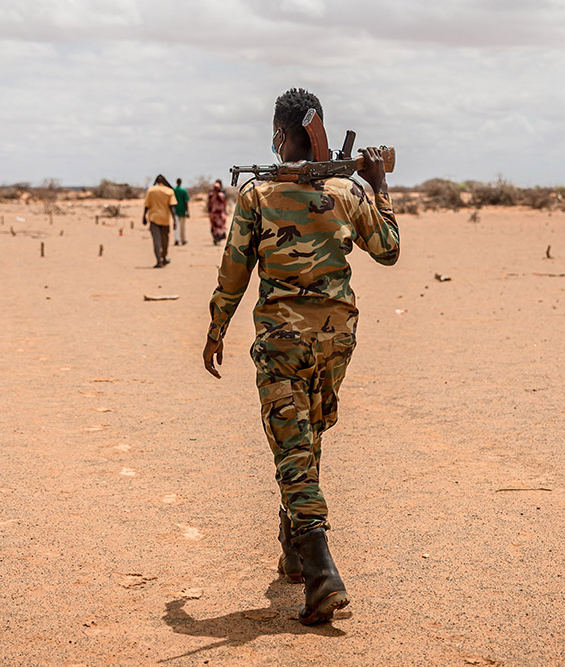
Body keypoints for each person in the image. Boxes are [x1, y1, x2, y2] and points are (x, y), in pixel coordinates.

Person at [202, 88, 399, 625]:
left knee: (292, 448)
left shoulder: (258, 196)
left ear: (280, 135)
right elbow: (388, 249)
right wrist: (380, 187)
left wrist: (216, 327)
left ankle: (321, 574)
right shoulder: (348, 192)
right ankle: (293, 550)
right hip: (336, 341)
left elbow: (235, 272)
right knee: (303, 440)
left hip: (282, 344)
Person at [143, 175, 176, 267]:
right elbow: (172, 207)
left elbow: (147, 205)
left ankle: (159, 260)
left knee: (156, 240)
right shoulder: (169, 191)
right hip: (165, 219)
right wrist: (174, 220)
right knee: (165, 240)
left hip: (153, 218)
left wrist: (143, 217)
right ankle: (164, 257)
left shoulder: (151, 190)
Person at [207, 179, 228, 245]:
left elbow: (224, 203)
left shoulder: (221, 195)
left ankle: (218, 238)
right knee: (215, 226)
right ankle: (216, 238)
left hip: (219, 213)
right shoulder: (212, 195)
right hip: (214, 213)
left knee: (219, 226)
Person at [173, 178, 190, 246]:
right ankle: (182, 239)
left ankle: (176, 239)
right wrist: (187, 211)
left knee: (176, 226)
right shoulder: (183, 190)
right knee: (182, 226)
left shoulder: (174, 190)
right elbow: (186, 201)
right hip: (182, 210)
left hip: (175, 210)